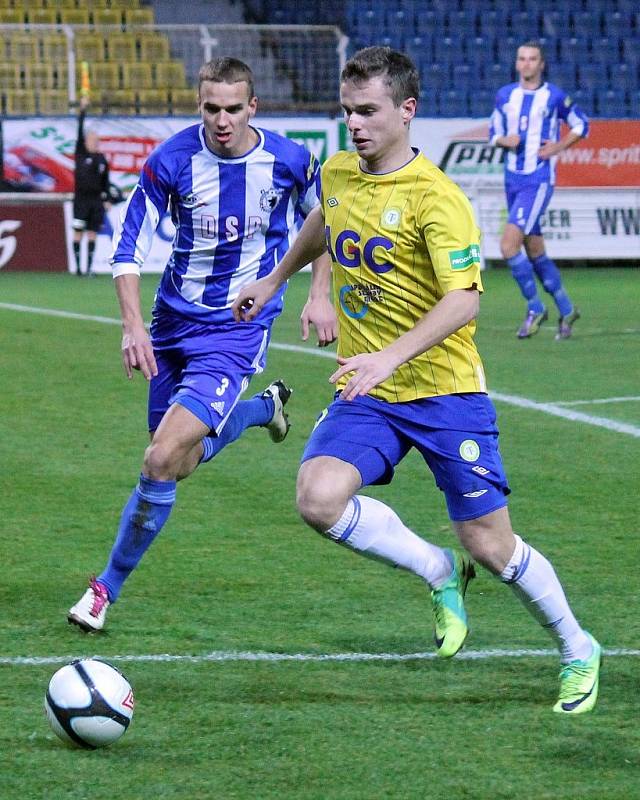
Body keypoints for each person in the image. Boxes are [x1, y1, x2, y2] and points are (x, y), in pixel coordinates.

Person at [233, 46, 601, 715]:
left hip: (443, 390)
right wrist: (276, 277)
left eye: (369, 111)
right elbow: (324, 221)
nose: (356, 124)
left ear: (407, 110)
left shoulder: (438, 198)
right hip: (373, 389)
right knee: (318, 499)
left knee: (490, 544)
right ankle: (434, 570)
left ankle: (578, 647)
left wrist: (386, 357)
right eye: (348, 111)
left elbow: (464, 299)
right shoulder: (342, 171)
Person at [68, 57, 336, 632]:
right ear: (200, 105)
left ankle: (102, 589)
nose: (222, 119)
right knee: (176, 461)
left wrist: (319, 293)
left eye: (233, 108)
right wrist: (133, 325)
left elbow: (328, 217)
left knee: (160, 457)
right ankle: (265, 409)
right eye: (211, 107)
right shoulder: (170, 160)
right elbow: (128, 248)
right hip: (171, 323)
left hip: (238, 327)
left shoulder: (290, 160)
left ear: (252, 107)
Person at [489, 41, 589, 340]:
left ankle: (535, 307)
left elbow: (581, 125)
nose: (527, 63)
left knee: (508, 246)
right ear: (517, 63)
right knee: (535, 251)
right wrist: (503, 141)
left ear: (541, 64)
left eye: (533, 59)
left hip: (538, 179)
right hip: (512, 179)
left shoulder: (554, 96)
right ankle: (567, 308)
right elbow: (494, 133)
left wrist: (558, 147)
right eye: (522, 58)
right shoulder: (504, 96)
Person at [72, 96, 111, 276]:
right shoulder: (80, 153)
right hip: (81, 200)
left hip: (96, 201)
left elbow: (106, 182)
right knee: (78, 230)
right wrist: (82, 110)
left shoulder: (102, 159)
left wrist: (107, 199)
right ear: (86, 141)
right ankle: (78, 268)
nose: (95, 143)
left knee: (92, 232)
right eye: (92, 140)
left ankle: (88, 268)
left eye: (97, 140)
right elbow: (79, 131)